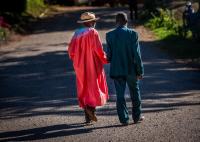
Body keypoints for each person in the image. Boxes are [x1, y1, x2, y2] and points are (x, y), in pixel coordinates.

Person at [68, 12, 109, 124]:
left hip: (79, 64)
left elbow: (71, 51)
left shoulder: (76, 33)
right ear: (90, 22)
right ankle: (91, 110)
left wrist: (77, 59)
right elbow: (98, 49)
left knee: (84, 87)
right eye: (94, 21)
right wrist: (106, 59)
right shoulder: (93, 32)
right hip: (92, 63)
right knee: (94, 86)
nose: (95, 22)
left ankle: (88, 115)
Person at [106, 12, 144, 125]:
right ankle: (137, 117)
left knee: (120, 95)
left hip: (117, 70)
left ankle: (124, 119)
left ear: (116, 22)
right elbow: (137, 55)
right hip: (131, 70)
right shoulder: (133, 34)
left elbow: (109, 56)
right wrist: (140, 71)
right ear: (126, 22)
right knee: (135, 92)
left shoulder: (109, 35)